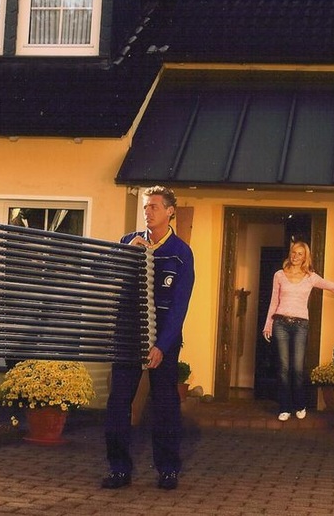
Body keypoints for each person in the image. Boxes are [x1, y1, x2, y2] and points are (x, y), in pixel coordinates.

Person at [102, 186, 194, 491]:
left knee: (165, 404)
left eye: (154, 206)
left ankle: (168, 470)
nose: (148, 212)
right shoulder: (129, 242)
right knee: (118, 402)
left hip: (164, 339)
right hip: (128, 335)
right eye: (145, 207)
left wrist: (162, 346)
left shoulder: (181, 253)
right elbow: (106, 278)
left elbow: (179, 305)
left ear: (170, 211)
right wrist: (128, 254)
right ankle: (119, 470)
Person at [262, 240, 334, 422]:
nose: (295, 256)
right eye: (293, 252)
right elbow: (274, 301)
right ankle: (284, 408)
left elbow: (332, 286)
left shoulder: (310, 277)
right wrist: (268, 324)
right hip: (280, 323)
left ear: (305, 257)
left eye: (300, 254)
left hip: (300, 326)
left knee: (297, 368)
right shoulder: (279, 275)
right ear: (290, 253)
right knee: (283, 367)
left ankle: (300, 405)